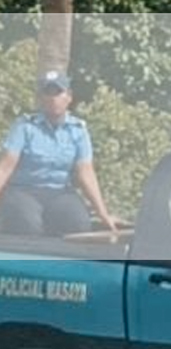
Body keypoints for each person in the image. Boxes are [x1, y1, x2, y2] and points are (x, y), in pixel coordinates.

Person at [0, 71, 116, 237]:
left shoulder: (78, 130)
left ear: (68, 97)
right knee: (27, 223)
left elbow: (86, 173)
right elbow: (4, 168)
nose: (53, 98)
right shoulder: (24, 127)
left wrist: (103, 213)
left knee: (78, 222)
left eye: (58, 92)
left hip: (59, 191)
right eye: (48, 93)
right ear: (41, 98)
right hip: (24, 190)